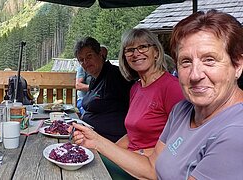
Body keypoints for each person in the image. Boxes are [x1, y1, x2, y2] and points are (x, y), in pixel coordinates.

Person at [72, 10, 243, 179]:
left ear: (238, 65)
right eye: (186, 61)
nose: (195, 75)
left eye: (209, 60)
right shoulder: (181, 110)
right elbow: (153, 167)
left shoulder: (236, 133)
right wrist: (96, 141)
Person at [103, 28, 184, 179]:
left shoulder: (172, 87)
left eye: (143, 47)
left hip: (150, 169)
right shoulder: (136, 88)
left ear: (157, 52)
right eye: (130, 50)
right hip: (131, 160)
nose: (136, 53)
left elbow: (182, 139)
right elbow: (133, 135)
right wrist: (110, 150)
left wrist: (144, 153)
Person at [75, 37, 132, 142]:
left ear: (100, 54)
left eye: (89, 56)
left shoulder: (116, 76)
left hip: (110, 142)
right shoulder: (95, 79)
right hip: (91, 137)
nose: (85, 62)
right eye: (81, 60)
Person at [75, 46, 107, 115]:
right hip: (83, 99)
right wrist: (96, 88)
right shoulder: (84, 67)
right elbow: (78, 85)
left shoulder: (107, 71)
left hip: (98, 102)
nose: (103, 58)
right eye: (81, 59)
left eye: (105, 56)